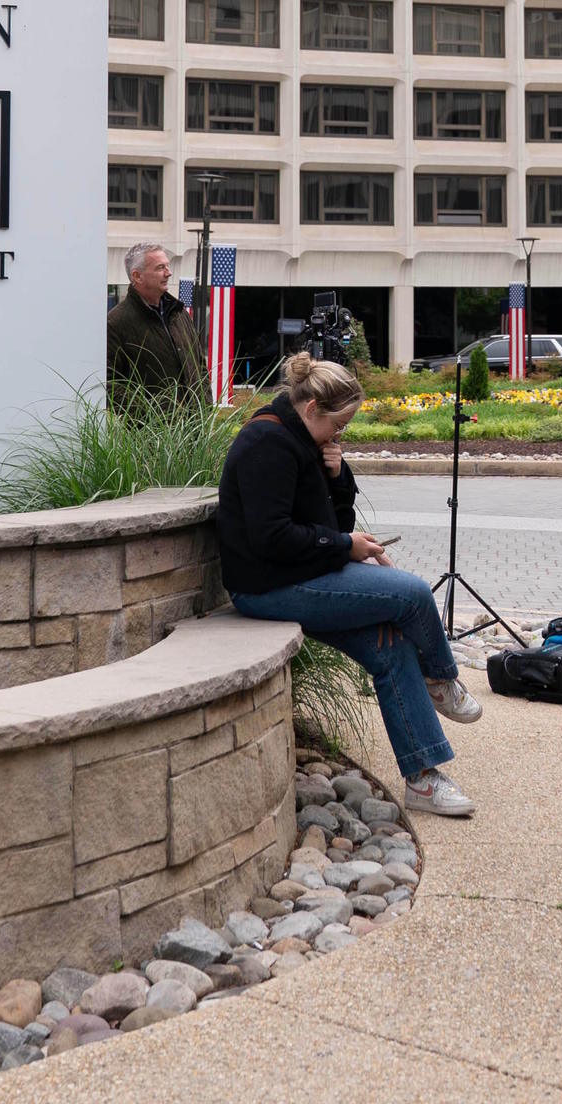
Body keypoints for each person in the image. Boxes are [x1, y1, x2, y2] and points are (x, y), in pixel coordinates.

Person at [215, 351, 480, 817]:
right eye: (338, 425)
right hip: (267, 587)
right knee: (414, 593)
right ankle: (440, 678)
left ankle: (422, 779)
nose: (341, 434)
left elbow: (332, 520)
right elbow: (271, 537)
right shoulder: (268, 443)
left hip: (303, 575)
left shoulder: (306, 441)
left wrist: (337, 478)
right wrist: (345, 546)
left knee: (392, 644)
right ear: (312, 408)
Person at [105, 241, 205, 411]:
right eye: (160, 268)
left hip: (196, 431)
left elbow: (200, 367)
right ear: (137, 276)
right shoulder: (116, 323)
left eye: (168, 266)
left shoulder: (180, 314)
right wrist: (152, 417)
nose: (169, 273)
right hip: (152, 434)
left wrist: (205, 407)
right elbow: (110, 384)